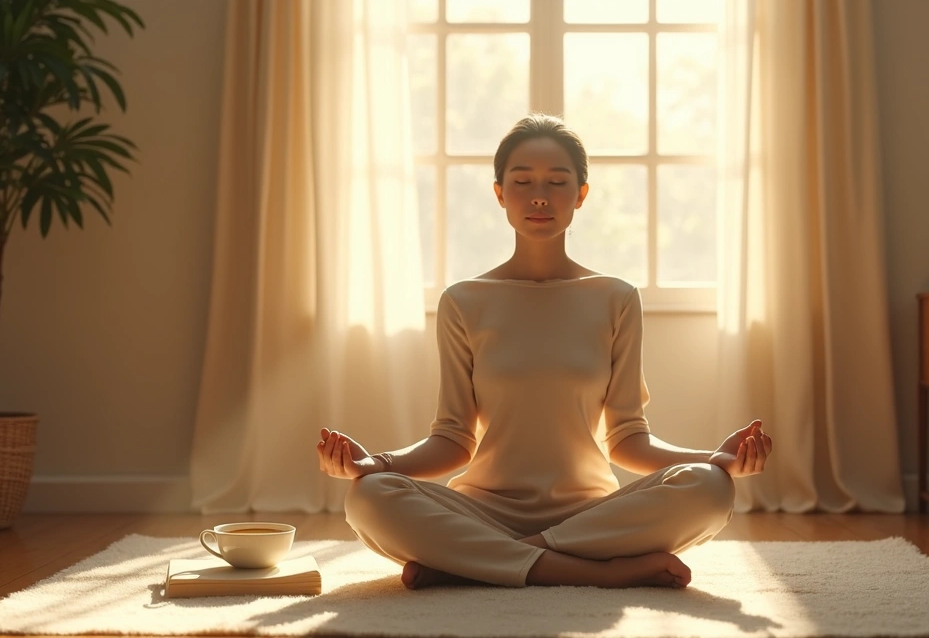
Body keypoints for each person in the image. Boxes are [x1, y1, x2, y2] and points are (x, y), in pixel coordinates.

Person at [315, 113, 773, 591]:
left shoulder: (616, 298)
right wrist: (376, 465)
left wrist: (714, 458)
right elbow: (453, 439)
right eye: (522, 181)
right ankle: (594, 572)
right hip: (484, 510)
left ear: (580, 195)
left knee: (711, 488)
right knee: (368, 498)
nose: (540, 195)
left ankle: (469, 564)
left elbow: (627, 439)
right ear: (499, 194)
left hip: (591, 514)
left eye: (557, 182)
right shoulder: (463, 301)